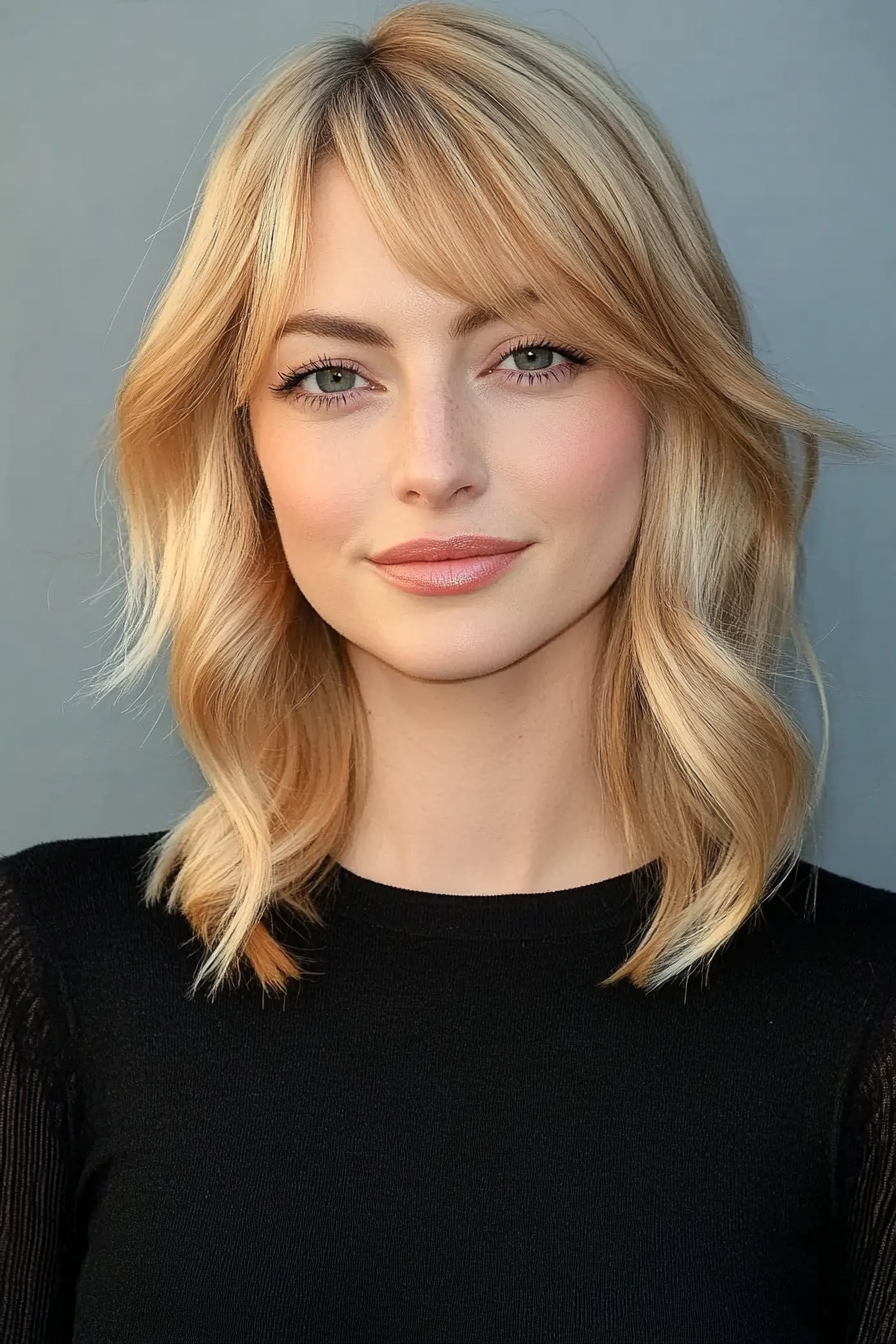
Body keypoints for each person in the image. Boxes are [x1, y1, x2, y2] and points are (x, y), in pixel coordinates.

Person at [1, 3, 894, 1340]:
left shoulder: (869, 1018)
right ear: (244, 448)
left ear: (667, 400)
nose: (434, 461)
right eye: (332, 376)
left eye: (533, 356)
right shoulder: (46, 973)